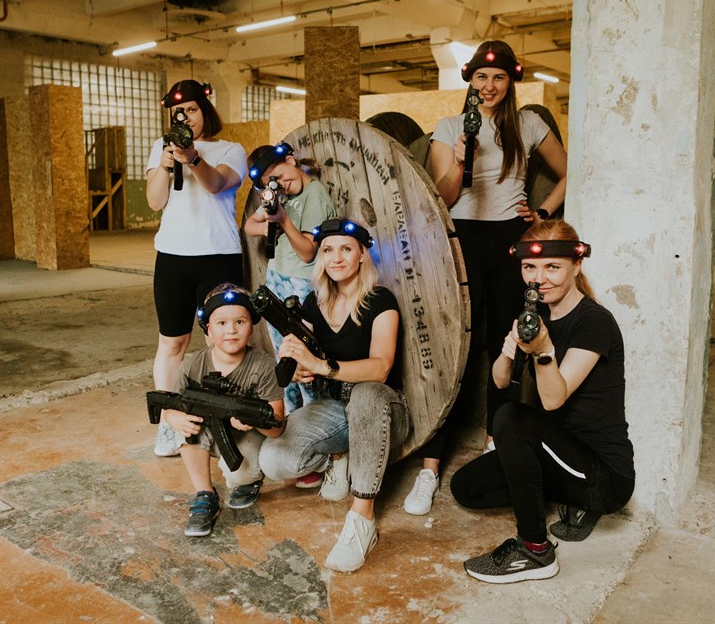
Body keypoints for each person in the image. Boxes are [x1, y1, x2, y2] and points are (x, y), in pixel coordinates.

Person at [405, 41, 569, 517]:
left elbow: (570, 171)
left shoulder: (529, 125)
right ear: (470, 81)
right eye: (481, 77)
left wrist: (542, 213)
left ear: (510, 82)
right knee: (454, 347)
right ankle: (430, 468)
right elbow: (443, 196)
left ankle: (496, 446)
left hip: (509, 241)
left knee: (504, 344)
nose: (490, 85)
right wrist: (459, 159)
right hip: (462, 241)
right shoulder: (449, 126)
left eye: (498, 78)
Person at [450, 220, 635, 582]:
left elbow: (553, 400)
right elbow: (500, 381)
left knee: (510, 417)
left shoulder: (594, 322)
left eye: (552, 267)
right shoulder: (536, 316)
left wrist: (543, 350)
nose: (539, 279)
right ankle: (571, 499)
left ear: (576, 265)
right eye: (529, 267)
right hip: (555, 454)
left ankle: (535, 551)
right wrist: (510, 350)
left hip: (602, 475)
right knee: (467, 487)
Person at [257, 219, 412, 573]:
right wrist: (300, 366)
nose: (336, 257)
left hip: (383, 411)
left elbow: (380, 367)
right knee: (273, 459)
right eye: (328, 250)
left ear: (362, 255)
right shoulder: (315, 302)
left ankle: (362, 519)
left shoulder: (380, 301)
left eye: (346, 249)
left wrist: (322, 366)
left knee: (368, 394)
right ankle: (338, 455)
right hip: (336, 409)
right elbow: (306, 356)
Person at [145, 80, 248, 459]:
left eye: (192, 109)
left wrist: (192, 159)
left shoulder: (231, 150)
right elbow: (155, 201)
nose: (186, 116)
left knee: (222, 343)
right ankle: (169, 421)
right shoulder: (160, 148)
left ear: (205, 110)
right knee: (172, 343)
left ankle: (222, 421)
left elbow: (216, 184)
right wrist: (165, 164)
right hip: (172, 258)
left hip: (218, 256)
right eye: (179, 112)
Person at [158, 284, 285, 537]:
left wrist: (254, 421)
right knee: (186, 427)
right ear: (208, 328)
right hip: (208, 430)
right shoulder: (193, 365)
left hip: (245, 437)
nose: (231, 330)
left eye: (240, 322)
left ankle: (249, 482)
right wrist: (174, 417)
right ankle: (205, 494)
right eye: (222, 323)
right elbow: (169, 406)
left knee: (240, 476)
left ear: (251, 327)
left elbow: (277, 428)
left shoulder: (264, 365)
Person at [243, 141, 335, 413]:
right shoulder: (278, 194)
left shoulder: (314, 194)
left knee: (303, 354)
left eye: (280, 176)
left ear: (291, 161)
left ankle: (313, 415)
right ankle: (292, 416)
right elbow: (249, 225)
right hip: (277, 279)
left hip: (302, 284)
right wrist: (269, 227)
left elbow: (307, 252)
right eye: (273, 183)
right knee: (283, 354)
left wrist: (283, 221)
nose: (281, 184)